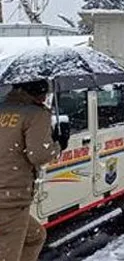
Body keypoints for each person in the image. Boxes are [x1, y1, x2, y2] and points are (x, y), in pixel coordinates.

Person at [0, 80, 68, 261]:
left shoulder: (2, 107)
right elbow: (38, 155)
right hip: (10, 201)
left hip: (6, 195)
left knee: (35, 236)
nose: (46, 98)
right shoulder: (36, 113)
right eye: (45, 93)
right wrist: (58, 144)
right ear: (39, 93)